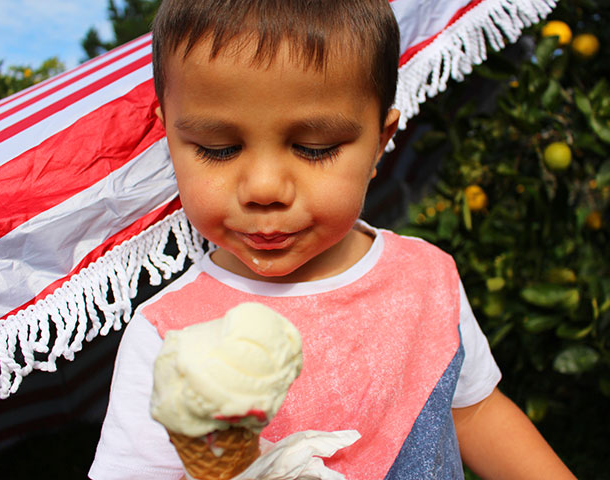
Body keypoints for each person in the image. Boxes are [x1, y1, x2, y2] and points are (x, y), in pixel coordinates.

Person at [89, 0, 577, 479]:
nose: (263, 189)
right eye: (218, 149)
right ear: (170, 138)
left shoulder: (426, 278)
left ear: (380, 143)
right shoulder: (169, 332)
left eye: (313, 148)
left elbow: (473, 412)